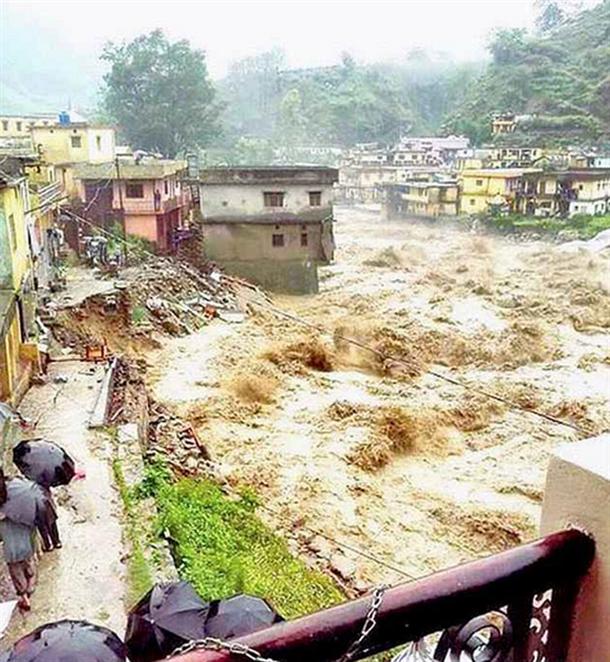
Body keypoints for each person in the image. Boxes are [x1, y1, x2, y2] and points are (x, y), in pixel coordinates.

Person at [0, 513, 37, 611]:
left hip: (11, 552)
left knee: (17, 575)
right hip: (25, 546)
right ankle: (29, 590)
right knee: (29, 569)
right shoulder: (20, 512)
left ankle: (25, 599)